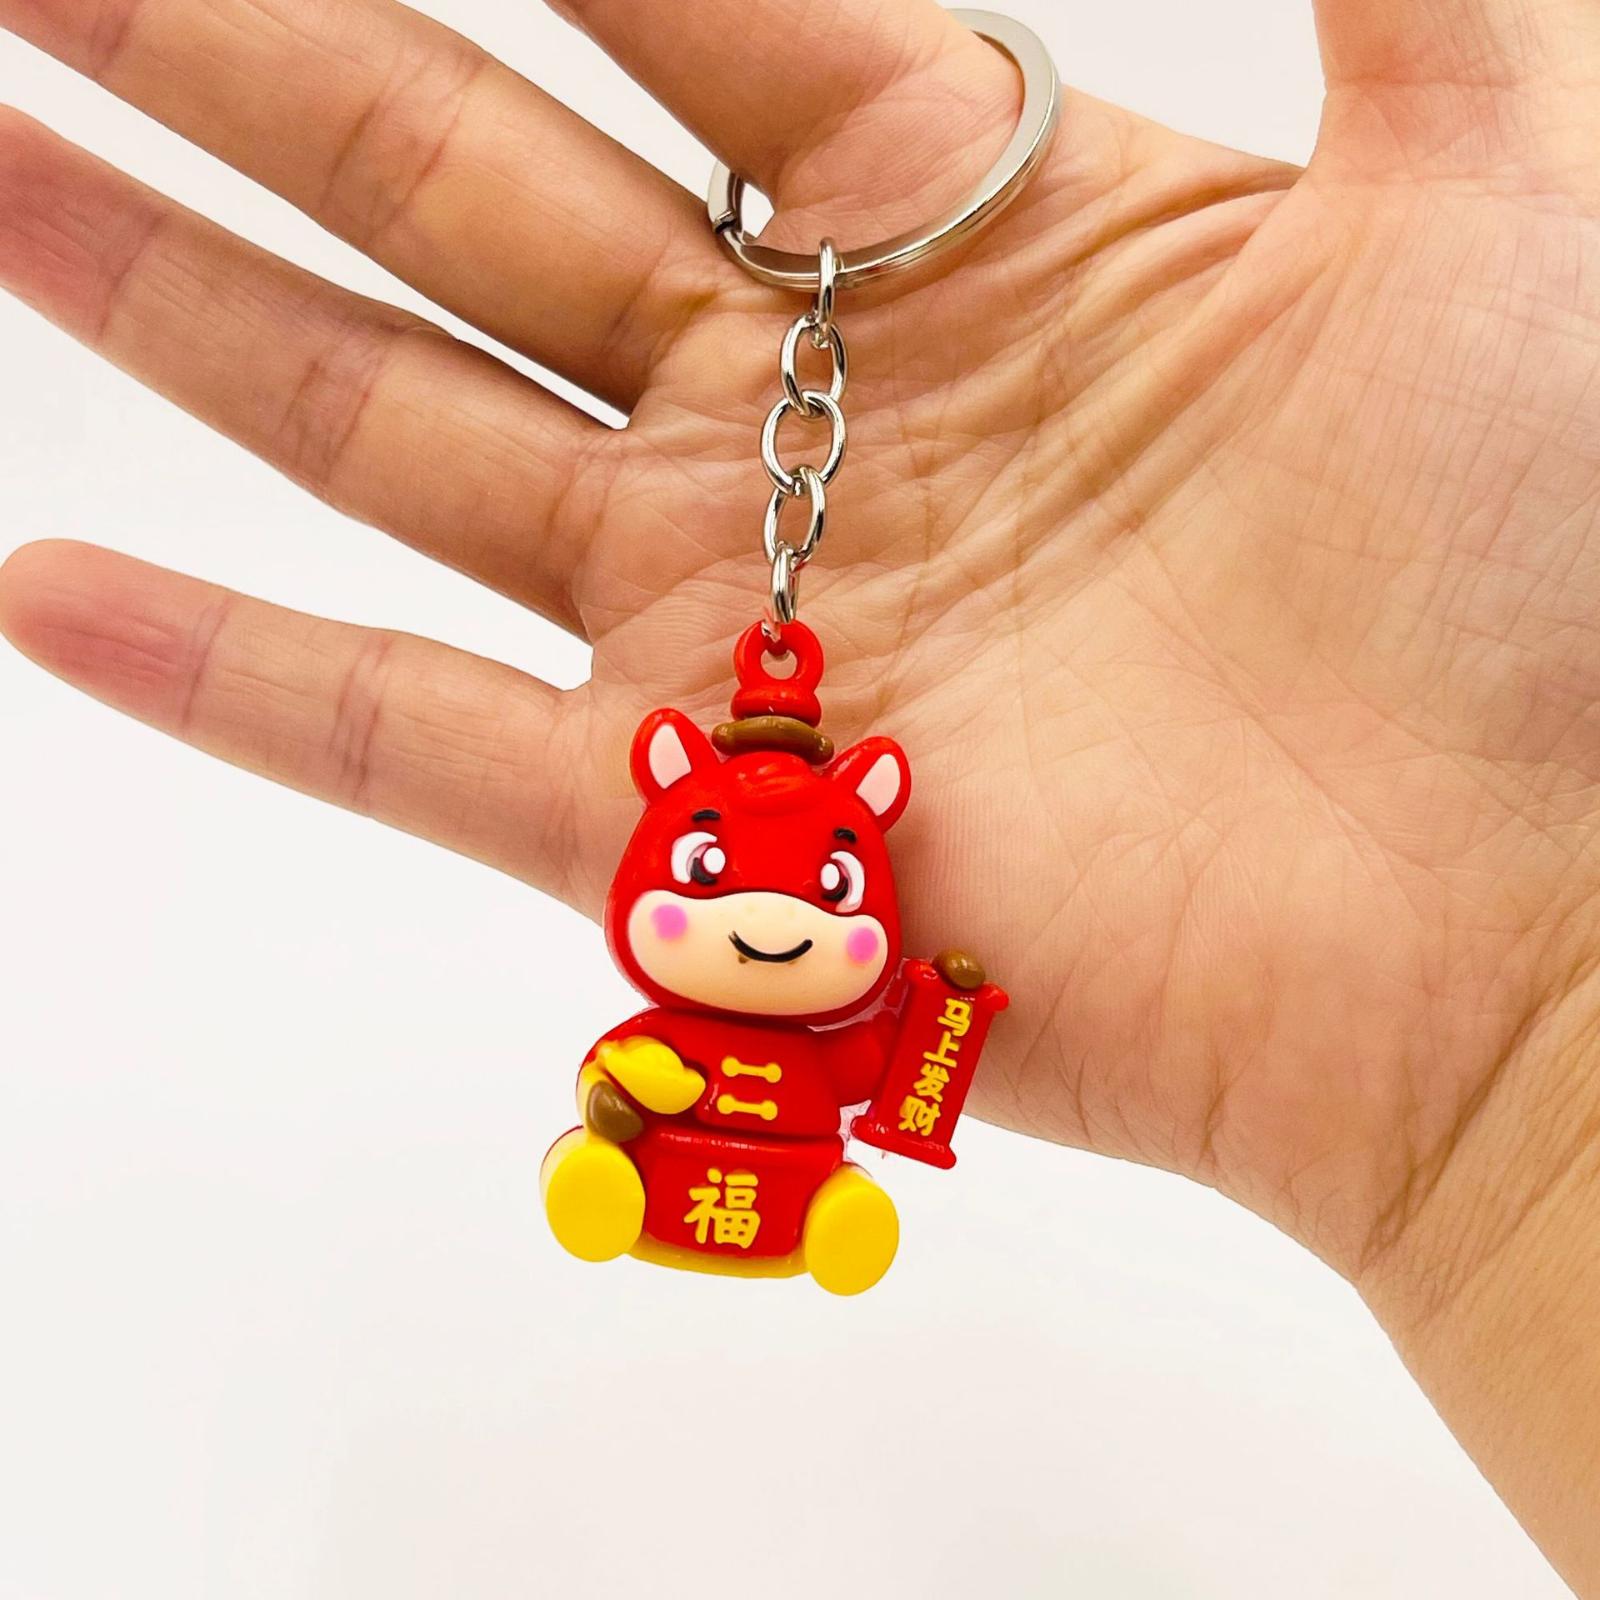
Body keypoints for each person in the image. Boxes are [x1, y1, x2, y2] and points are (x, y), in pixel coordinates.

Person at [2, 0, 1598, 1587]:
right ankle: (619, 1189)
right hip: (680, 1169)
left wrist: (946, 1032)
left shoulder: (833, 1011)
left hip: (792, 1188)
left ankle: (778, 1215)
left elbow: (901, 1071)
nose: (771, 922)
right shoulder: (700, 1012)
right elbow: (657, 1062)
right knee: (626, 1150)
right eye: (720, 879)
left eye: (824, 889)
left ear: (866, 842)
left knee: (806, 1194)